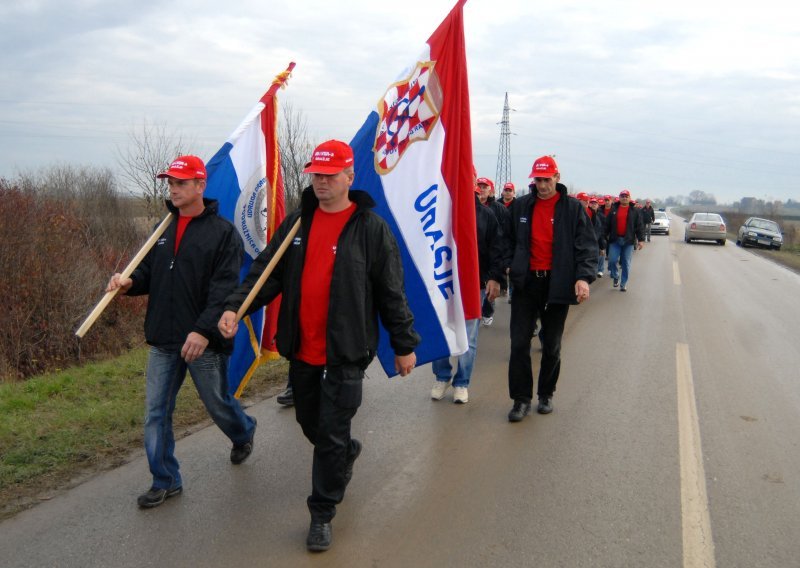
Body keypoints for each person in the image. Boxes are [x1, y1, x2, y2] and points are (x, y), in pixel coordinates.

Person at [218, 140, 419, 552]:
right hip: (303, 348)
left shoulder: (370, 229)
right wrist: (235, 309)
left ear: (349, 176)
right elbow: (265, 275)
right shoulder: (297, 224)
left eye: (330, 174)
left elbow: (391, 293)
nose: (321, 181)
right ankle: (345, 451)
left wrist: (404, 344)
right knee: (310, 423)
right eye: (316, 174)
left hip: (345, 352)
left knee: (329, 432)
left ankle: (322, 513)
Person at [106, 155, 257, 509]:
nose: (173, 189)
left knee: (218, 405)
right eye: (171, 183)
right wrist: (128, 282)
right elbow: (148, 274)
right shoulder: (163, 229)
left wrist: (203, 331)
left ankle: (243, 430)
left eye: (181, 183)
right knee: (156, 412)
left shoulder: (223, 234)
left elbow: (223, 292)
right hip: (163, 338)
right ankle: (165, 479)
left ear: (200, 186)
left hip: (203, 341)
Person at [505, 155, 597, 422]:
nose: (542, 185)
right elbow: (506, 240)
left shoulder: (572, 209)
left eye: (547, 180)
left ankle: (546, 393)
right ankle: (521, 399)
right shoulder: (521, 207)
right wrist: (508, 267)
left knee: (552, 344)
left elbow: (587, 246)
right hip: (526, 283)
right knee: (519, 343)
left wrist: (583, 277)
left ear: (557, 177)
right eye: (538, 180)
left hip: (557, 283)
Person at [431, 175, 503, 404]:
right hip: (443, 282)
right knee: (440, 332)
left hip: (474, 284)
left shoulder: (486, 215)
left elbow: (496, 248)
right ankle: (442, 376)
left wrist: (494, 278)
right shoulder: (439, 210)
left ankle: (462, 383)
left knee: (469, 337)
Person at [476, 177, 510, 325]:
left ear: (491, 190)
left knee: (488, 288)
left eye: (485, 186)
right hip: (477, 258)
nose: (482, 189)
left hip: (492, 254)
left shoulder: (498, 209)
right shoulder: (470, 207)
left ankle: (488, 312)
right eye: (480, 186)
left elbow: (503, 234)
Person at [603, 189, 645, 292]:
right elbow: (606, 225)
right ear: (619, 197)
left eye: (626, 196)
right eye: (622, 196)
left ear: (629, 198)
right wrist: (603, 237)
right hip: (615, 240)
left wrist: (641, 240)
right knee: (612, 260)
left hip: (628, 241)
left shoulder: (634, 211)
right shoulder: (614, 210)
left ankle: (623, 283)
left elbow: (639, 226)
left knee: (626, 263)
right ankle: (615, 276)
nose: (624, 198)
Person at [587, 197, 607, 278]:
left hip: (599, 237)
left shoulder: (601, 216)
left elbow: (603, 229)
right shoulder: (585, 213)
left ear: (598, 205)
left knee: (601, 252)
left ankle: (600, 270)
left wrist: (602, 242)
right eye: (592, 203)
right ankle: (591, 270)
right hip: (589, 238)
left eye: (595, 203)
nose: (593, 205)